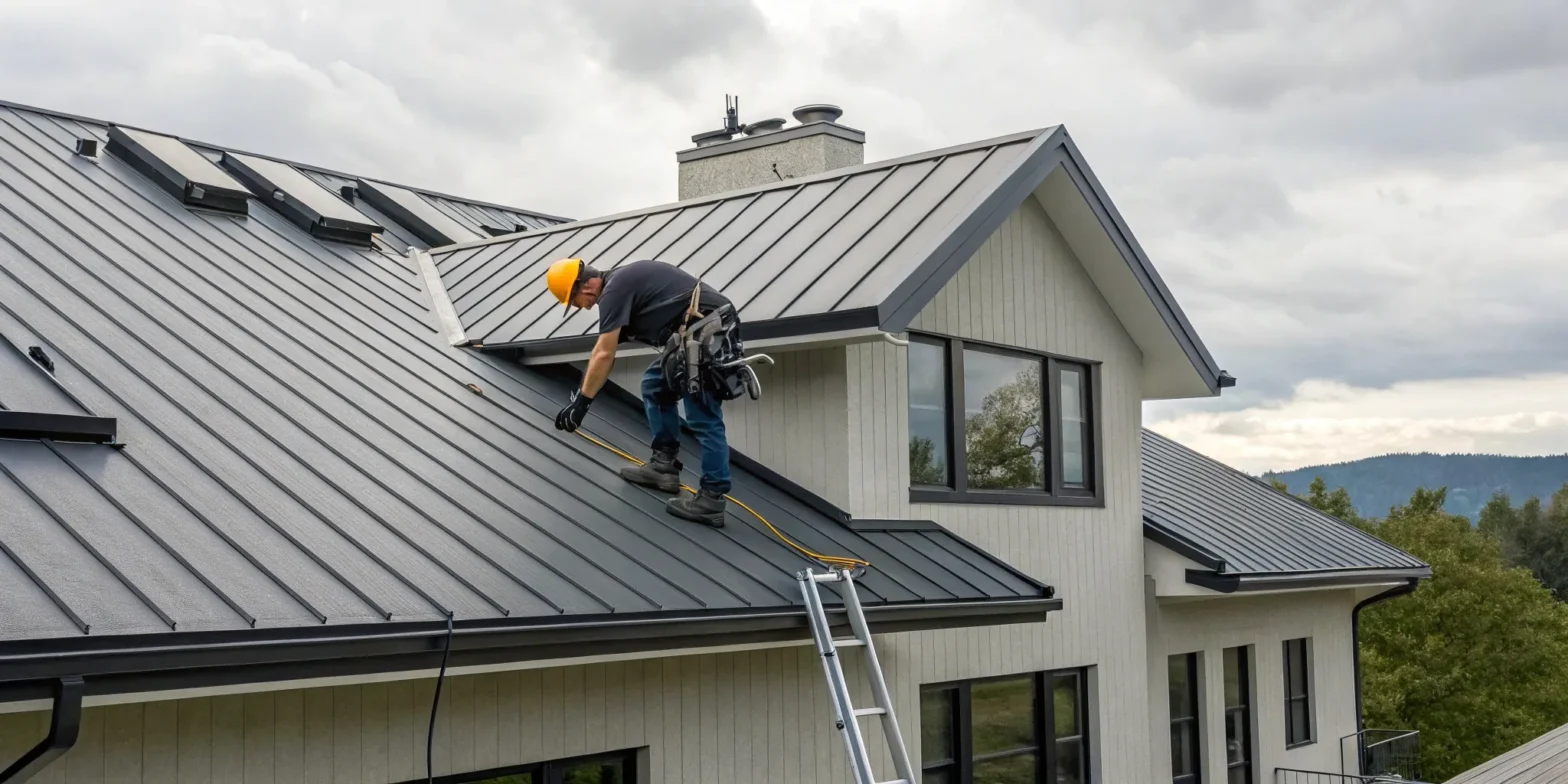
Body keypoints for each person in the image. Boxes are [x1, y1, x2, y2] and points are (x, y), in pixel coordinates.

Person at [546, 257, 736, 527]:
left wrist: (582, 403)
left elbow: (603, 353)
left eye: (574, 301)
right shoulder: (619, 287)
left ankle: (712, 500)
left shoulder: (615, 290)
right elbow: (604, 349)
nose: (580, 307)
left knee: (702, 413)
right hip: (692, 336)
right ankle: (663, 466)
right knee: (654, 386)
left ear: (585, 286)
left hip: (709, 331)